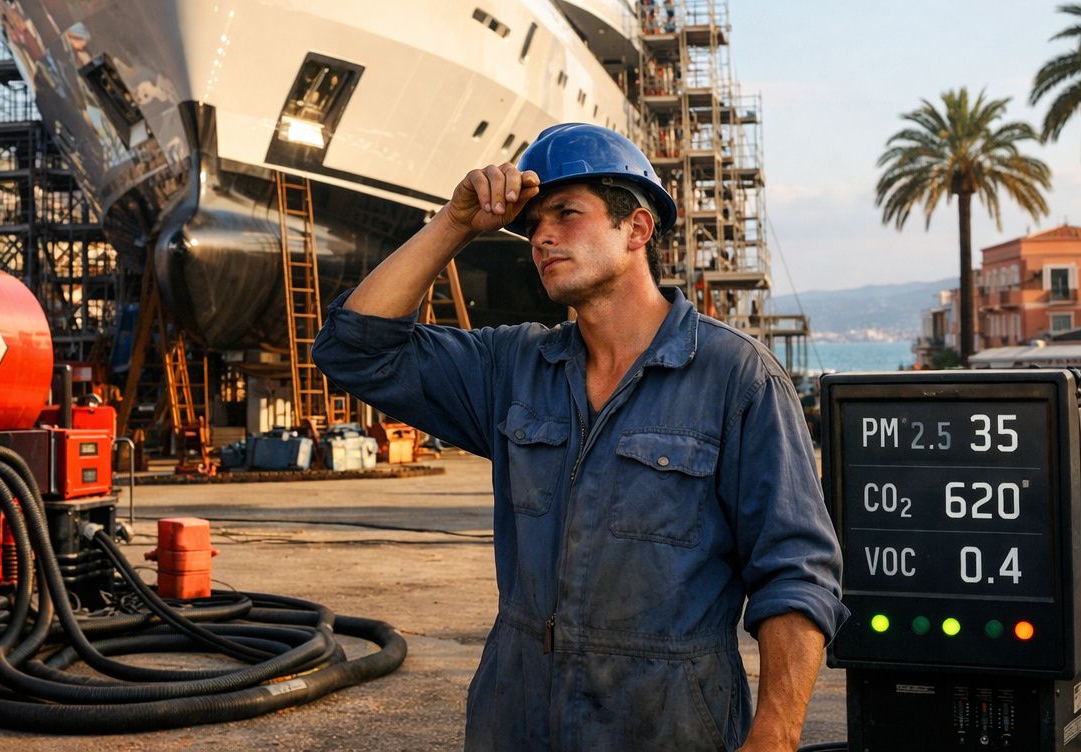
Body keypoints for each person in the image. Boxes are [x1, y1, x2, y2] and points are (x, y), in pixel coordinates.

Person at [312, 123, 846, 751]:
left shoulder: (735, 378)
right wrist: (454, 223)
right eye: (533, 224)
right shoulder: (513, 368)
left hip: (669, 730)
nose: (541, 236)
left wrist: (775, 736)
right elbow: (355, 349)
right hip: (515, 726)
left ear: (637, 229)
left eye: (566, 213)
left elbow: (795, 572)